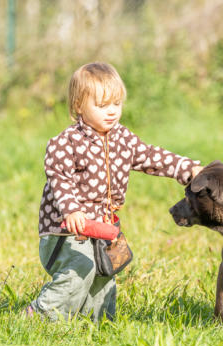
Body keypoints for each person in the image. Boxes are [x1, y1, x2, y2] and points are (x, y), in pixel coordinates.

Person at [25, 62, 202, 322]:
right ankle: (39, 317)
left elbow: (152, 157)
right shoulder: (66, 142)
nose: (111, 112)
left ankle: (97, 324)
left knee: (104, 274)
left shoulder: (123, 139)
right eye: (102, 105)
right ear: (78, 106)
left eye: (116, 104)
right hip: (66, 230)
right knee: (80, 269)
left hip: (102, 228)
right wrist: (71, 209)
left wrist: (188, 169)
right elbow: (58, 177)